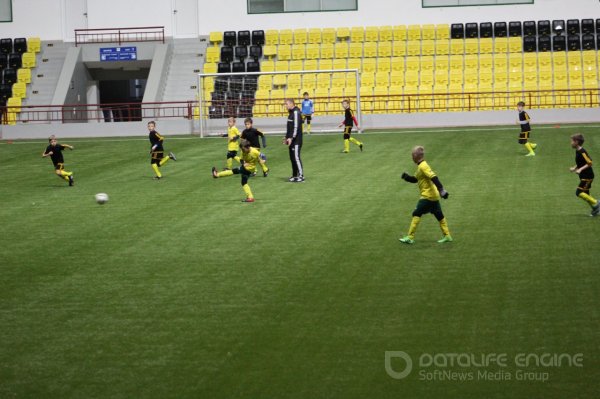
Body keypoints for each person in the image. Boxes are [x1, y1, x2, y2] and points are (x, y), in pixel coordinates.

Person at [399, 146, 452, 244]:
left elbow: (434, 177)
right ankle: (447, 236)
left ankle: (410, 237)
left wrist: (442, 190)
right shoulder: (421, 166)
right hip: (433, 196)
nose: (411, 158)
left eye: (412, 155)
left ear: (415, 156)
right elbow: (415, 179)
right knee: (439, 216)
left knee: (416, 213)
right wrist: (406, 177)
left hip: (427, 196)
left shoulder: (423, 166)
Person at [569, 133, 600, 216]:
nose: (571, 143)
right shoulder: (578, 151)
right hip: (584, 176)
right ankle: (595, 209)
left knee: (578, 192)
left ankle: (597, 203)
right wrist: (575, 168)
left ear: (577, 142)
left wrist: (580, 169)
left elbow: (590, 163)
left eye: (572, 141)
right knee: (586, 194)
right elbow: (581, 163)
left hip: (587, 176)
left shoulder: (582, 151)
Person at [284, 98, 304, 182]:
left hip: (296, 140)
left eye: (287, 104)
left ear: (292, 104)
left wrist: (291, 138)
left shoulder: (296, 112)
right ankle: (294, 175)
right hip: (291, 140)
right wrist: (286, 138)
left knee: (296, 157)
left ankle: (301, 176)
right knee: (292, 158)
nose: (286, 106)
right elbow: (290, 128)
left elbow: (296, 127)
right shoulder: (291, 113)